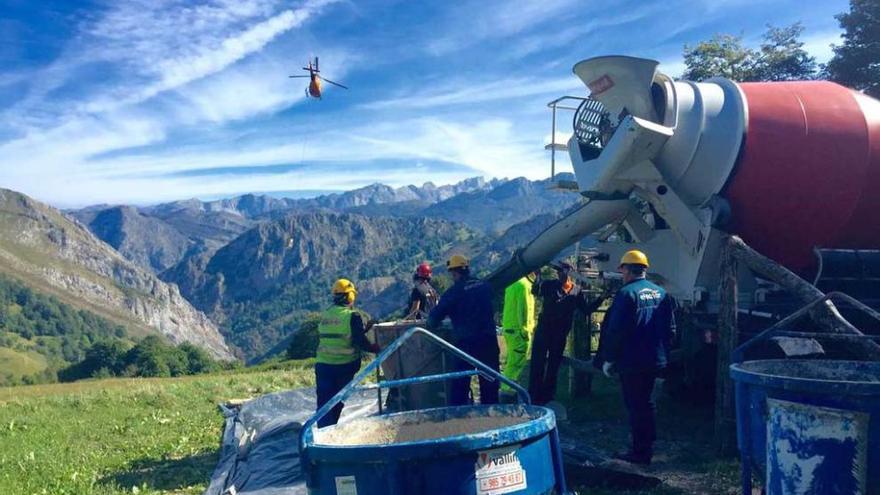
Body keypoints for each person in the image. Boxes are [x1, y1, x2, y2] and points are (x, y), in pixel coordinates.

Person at [594, 250, 676, 465]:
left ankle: (640, 452)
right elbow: (672, 329)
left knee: (636, 405)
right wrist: (663, 353)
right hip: (655, 359)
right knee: (648, 403)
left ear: (627, 270)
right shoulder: (661, 293)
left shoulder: (626, 294)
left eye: (622, 270)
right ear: (644, 269)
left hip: (632, 361)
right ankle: (647, 444)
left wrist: (609, 359)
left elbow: (616, 331)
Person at [427, 254, 499, 406]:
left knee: (460, 387)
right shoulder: (485, 285)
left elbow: (432, 321)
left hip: (466, 346)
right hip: (489, 342)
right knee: (490, 385)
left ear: (454, 272)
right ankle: (492, 419)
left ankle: (460, 420)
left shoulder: (453, 293)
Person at [529, 261, 603, 405]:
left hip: (560, 334)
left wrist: (601, 298)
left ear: (570, 273)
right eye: (559, 271)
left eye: (563, 271)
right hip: (544, 331)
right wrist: (538, 275)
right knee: (537, 363)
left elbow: (586, 310)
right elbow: (536, 291)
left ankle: (548, 397)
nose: (560, 273)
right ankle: (533, 396)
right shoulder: (550, 285)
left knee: (553, 366)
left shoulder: (576, 290)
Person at [315, 278, 380, 427]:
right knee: (338, 400)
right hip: (344, 366)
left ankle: (322, 433)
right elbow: (359, 341)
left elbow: (341, 335)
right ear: (350, 296)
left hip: (323, 365)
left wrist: (363, 330)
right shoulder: (352, 316)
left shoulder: (325, 314)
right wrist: (374, 348)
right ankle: (332, 430)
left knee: (324, 402)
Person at [500, 273, 536, 396]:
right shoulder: (524, 285)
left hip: (510, 328)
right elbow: (524, 309)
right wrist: (525, 330)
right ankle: (508, 392)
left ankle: (508, 389)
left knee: (511, 361)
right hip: (519, 331)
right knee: (516, 364)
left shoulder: (512, 283)